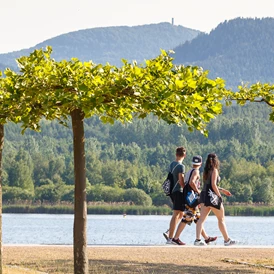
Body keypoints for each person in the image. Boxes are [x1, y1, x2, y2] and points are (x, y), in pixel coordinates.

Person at [171, 155, 217, 245]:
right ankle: (175, 238)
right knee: (187, 218)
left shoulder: (189, 171)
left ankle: (206, 238)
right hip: (192, 198)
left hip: (188, 197)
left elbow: (185, 182)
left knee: (198, 218)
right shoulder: (196, 172)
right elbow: (192, 182)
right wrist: (198, 192)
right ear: (201, 163)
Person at [195, 153, 236, 246]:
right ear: (216, 161)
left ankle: (197, 240)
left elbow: (209, 185)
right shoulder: (214, 170)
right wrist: (219, 196)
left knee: (201, 219)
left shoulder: (205, 171)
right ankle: (227, 240)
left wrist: (222, 190)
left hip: (205, 196)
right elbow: (213, 185)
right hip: (212, 197)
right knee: (221, 219)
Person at [164, 146, 186, 244]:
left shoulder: (172, 164)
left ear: (176, 154)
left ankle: (170, 231)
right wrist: (186, 189)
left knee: (181, 214)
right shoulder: (181, 166)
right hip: (178, 191)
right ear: (184, 155)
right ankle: (170, 238)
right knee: (176, 214)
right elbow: (181, 181)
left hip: (172, 191)